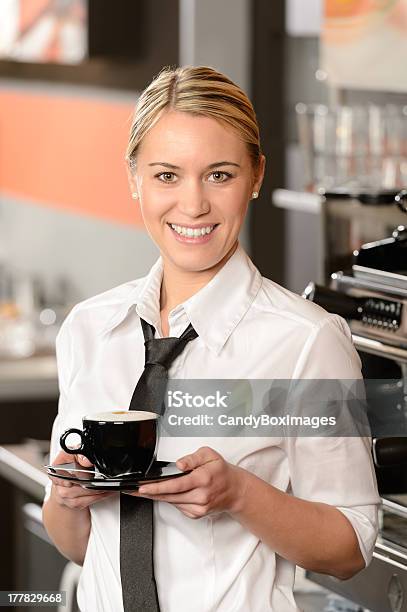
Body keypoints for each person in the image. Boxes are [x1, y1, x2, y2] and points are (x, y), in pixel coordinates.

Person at [42, 65, 380, 612]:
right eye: (166, 175)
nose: (193, 204)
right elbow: (78, 544)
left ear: (256, 176)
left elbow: (349, 547)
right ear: (134, 177)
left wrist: (240, 494)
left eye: (219, 174)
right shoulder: (89, 330)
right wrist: (67, 496)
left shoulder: (307, 342)